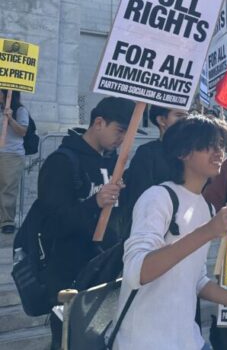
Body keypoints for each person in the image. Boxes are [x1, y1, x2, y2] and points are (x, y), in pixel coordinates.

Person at [113, 115, 227, 349]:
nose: (218, 152)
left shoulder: (206, 208)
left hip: (190, 340)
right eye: (208, 145)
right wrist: (208, 231)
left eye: (221, 145)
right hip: (145, 341)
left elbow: (197, 280)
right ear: (182, 152)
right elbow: (136, 272)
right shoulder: (157, 198)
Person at [37, 96, 134, 347]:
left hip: (104, 273)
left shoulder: (114, 163)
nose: (123, 138)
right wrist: (95, 202)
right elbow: (52, 224)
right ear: (99, 122)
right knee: (68, 342)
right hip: (69, 275)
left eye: (128, 133)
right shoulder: (61, 162)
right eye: (120, 130)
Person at [121, 105, 188, 235]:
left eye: (187, 116)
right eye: (179, 116)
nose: (185, 120)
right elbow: (139, 197)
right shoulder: (147, 153)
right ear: (161, 120)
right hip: (153, 231)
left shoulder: (191, 153)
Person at [0, 90, 29, 233]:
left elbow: (22, 131)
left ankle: (7, 221)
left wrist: (10, 119)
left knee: (8, 188)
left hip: (11, 154)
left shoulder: (20, 110)